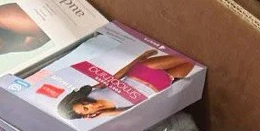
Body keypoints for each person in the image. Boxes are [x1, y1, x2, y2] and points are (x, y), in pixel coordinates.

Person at [57, 51, 197, 120]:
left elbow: (116, 76)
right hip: (160, 85)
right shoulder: (109, 113)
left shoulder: (93, 91)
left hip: (144, 71)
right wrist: (103, 113)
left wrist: (139, 59)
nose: (90, 105)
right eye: (86, 109)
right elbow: (135, 110)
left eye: (84, 103)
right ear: (86, 115)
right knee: (194, 61)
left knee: (187, 55)